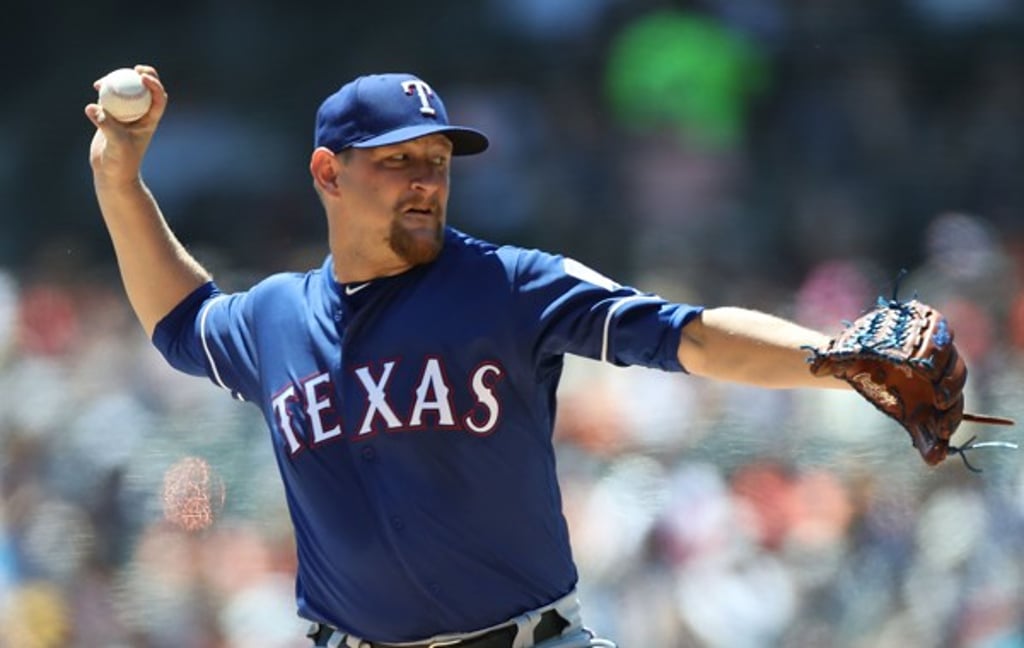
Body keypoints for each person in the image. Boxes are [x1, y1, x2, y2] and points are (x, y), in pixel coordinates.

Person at [85, 65, 850, 648]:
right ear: (329, 173)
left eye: (438, 161)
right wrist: (120, 181)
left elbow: (691, 334)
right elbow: (182, 319)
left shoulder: (508, 284)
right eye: (398, 161)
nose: (426, 182)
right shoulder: (275, 316)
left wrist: (835, 357)